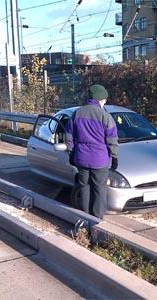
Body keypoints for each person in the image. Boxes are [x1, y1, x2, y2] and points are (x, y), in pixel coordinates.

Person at [65, 84, 118, 218]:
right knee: (99, 189)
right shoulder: (105, 116)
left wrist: (71, 152)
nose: (105, 102)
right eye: (105, 99)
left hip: (81, 158)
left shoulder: (77, 113)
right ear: (100, 99)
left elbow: (69, 135)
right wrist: (115, 157)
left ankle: (84, 217)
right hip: (100, 159)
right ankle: (97, 219)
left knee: (84, 187)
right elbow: (112, 138)